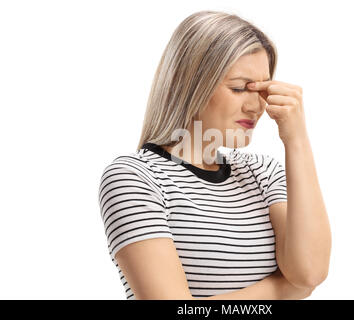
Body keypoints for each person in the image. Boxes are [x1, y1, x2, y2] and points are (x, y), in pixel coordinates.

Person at [98, 10, 330, 300]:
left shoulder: (263, 173)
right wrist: (284, 289)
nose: (255, 107)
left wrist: (296, 140)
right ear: (191, 84)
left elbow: (310, 272)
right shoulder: (135, 177)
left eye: (261, 90)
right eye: (238, 88)